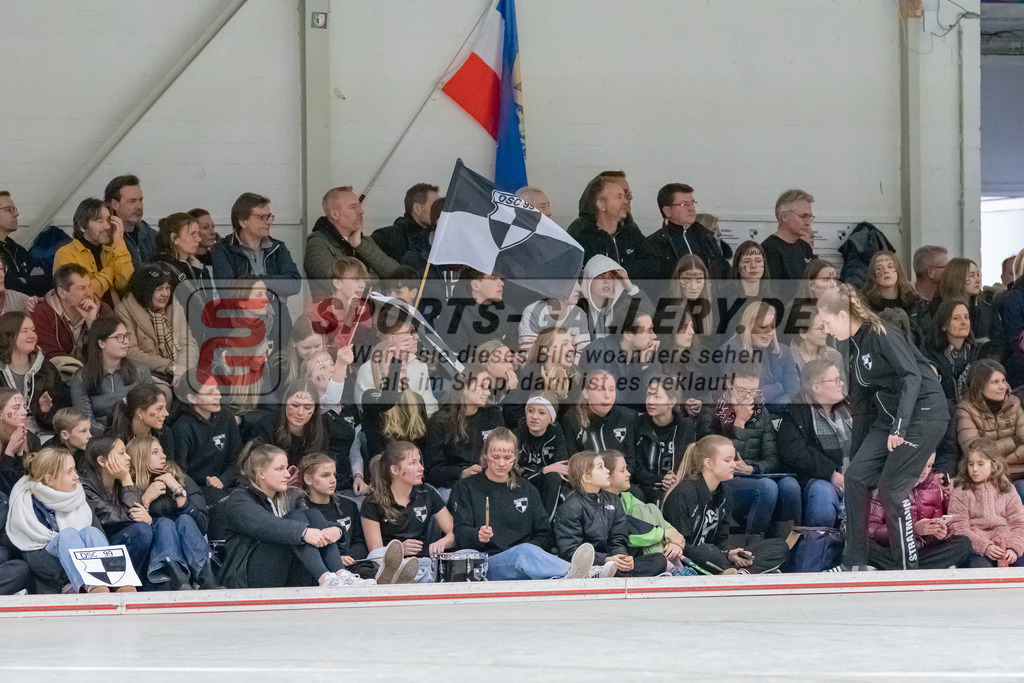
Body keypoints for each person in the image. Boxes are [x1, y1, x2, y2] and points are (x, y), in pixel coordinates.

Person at [817, 284, 948, 571]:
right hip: (889, 418)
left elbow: (912, 377)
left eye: (827, 323)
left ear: (841, 315)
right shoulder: (853, 344)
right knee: (855, 476)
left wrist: (899, 429)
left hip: (923, 414)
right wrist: (855, 454)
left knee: (890, 490)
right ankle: (855, 563)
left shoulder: (882, 333)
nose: (826, 330)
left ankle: (906, 570)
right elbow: (862, 405)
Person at [217, 442, 377, 588]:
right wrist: (303, 533)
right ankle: (325, 578)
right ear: (261, 473)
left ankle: (339, 575)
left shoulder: (291, 497)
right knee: (297, 520)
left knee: (312, 514)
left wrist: (337, 530)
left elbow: (314, 523)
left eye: (286, 468)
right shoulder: (239, 499)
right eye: (280, 469)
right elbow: (264, 525)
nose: (287, 474)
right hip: (248, 578)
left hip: (287, 573)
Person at [448, 428, 595, 581]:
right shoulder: (466, 487)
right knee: (522, 554)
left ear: (516, 457)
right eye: (495, 457)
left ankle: (574, 574)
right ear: (485, 455)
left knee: (525, 555)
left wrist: (529, 550)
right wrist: (476, 534)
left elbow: (544, 535)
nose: (501, 463)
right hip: (488, 563)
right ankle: (582, 573)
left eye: (507, 457)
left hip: (525, 561)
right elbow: (460, 533)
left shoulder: (526, 488)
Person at [662, 435, 790, 574]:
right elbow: (680, 544)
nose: (734, 464)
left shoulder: (725, 493)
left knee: (779, 546)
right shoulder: (683, 493)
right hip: (689, 559)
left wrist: (729, 553)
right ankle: (738, 573)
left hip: (716, 557)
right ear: (708, 464)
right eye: (727, 460)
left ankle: (739, 574)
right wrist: (719, 555)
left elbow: (721, 540)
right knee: (708, 552)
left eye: (733, 459)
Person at [699, 368, 801, 538]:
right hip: (724, 480)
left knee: (790, 486)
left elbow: (773, 458)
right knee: (767, 488)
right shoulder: (711, 410)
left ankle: (787, 546)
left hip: (753, 475)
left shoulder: (761, 413)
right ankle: (753, 543)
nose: (748, 396)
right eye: (741, 390)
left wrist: (753, 468)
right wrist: (739, 423)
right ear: (730, 387)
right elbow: (713, 455)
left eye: (753, 391)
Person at [6, 447, 119, 594]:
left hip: (86, 564)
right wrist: (70, 576)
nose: (76, 477)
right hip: (50, 567)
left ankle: (116, 581)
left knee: (92, 532)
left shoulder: (79, 498)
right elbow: (29, 556)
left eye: (75, 470)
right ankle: (87, 584)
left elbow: (98, 541)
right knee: (68, 535)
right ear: (49, 479)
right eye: (69, 472)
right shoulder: (25, 503)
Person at [127, 435, 218, 589]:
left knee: (185, 520)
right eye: (155, 452)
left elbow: (201, 526)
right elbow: (134, 535)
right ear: (140, 457)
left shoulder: (181, 479)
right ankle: (176, 575)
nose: (163, 456)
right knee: (165, 524)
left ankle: (206, 575)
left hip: (190, 560)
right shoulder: (129, 486)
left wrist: (178, 490)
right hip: (153, 567)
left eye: (162, 451)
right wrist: (145, 500)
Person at [553, 451, 663, 577]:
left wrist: (622, 558)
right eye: (600, 467)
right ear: (586, 477)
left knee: (659, 560)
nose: (607, 471)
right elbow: (570, 551)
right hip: (588, 567)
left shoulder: (613, 500)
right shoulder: (569, 507)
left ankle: (615, 573)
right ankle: (607, 574)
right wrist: (605, 559)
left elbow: (618, 539)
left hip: (611, 562)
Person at [209, 192, 302, 338]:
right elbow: (228, 291)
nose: (268, 221)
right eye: (261, 217)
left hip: (278, 326)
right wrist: (275, 292)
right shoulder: (222, 250)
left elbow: (294, 284)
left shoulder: (278, 248)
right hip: (240, 329)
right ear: (243, 221)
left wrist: (257, 283)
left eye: (269, 216)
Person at [362, 441, 454, 583]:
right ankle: (404, 576)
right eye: (412, 463)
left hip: (423, 561)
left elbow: (453, 533)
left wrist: (442, 542)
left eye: (420, 462)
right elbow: (375, 551)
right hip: (388, 564)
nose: (421, 468)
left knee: (468, 555)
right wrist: (399, 550)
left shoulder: (428, 493)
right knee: (376, 557)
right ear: (395, 470)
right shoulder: (372, 502)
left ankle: (412, 576)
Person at [296, 453, 395, 582]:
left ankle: (394, 573)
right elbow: (306, 550)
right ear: (308, 479)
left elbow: (360, 541)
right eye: (325, 475)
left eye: (334, 474)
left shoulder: (348, 505)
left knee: (370, 572)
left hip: (355, 565)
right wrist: (336, 560)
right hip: (323, 574)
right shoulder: (301, 510)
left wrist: (350, 556)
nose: (333, 480)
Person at [778, 360, 852, 530]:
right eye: (835, 380)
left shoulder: (849, 409)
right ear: (816, 387)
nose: (841, 383)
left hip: (854, 476)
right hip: (815, 479)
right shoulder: (797, 411)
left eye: (840, 378)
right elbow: (794, 452)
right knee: (823, 495)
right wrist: (831, 473)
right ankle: (817, 545)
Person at [867, 452, 972, 569]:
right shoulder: (885, 486)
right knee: (863, 546)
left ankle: (902, 568)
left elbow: (937, 529)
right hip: (893, 551)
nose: (925, 471)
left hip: (921, 552)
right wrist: (913, 530)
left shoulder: (935, 487)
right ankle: (911, 567)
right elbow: (871, 531)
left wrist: (940, 533)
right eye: (920, 464)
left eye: (929, 465)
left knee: (963, 544)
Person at [78, 436, 155, 578]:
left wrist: (147, 518)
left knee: (161, 524)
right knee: (142, 530)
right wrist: (126, 478)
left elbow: (137, 513)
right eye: (121, 453)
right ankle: (126, 582)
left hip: (123, 538)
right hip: (102, 546)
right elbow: (110, 518)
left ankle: (156, 580)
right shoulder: (84, 486)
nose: (128, 458)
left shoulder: (121, 481)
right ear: (102, 461)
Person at [305, 186, 400, 299]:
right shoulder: (317, 244)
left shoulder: (365, 241)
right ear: (335, 214)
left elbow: (398, 275)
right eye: (353, 207)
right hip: (333, 313)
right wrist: (379, 281)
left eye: (359, 206)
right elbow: (340, 284)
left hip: (369, 312)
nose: (361, 211)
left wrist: (360, 245)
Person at [422, 366, 503, 492]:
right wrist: (462, 473)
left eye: (488, 387)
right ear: (464, 387)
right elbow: (432, 471)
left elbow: (504, 451)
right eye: (482, 386)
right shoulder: (440, 421)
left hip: (490, 479)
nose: (487, 393)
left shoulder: (493, 414)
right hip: (454, 485)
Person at [115, 262, 197, 384]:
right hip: (148, 376)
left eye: (167, 288)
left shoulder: (174, 306)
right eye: (159, 289)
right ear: (145, 291)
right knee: (164, 394)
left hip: (181, 370)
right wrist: (170, 367)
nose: (165, 294)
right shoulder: (124, 310)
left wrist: (183, 370)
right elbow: (130, 352)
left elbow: (189, 343)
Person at [68, 317, 153, 435]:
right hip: (100, 439)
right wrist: (113, 436)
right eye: (119, 337)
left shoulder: (140, 371)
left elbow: (149, 410)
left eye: (126, 336)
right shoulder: (81, 379)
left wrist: (130, 433)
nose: (126, 341)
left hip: (136, 434)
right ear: (101, 343)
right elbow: (86, 421)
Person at [600, 451, 682, 571]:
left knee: (651, 508)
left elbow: (659, 522)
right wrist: (665, 534)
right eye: (622, 470)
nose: (628, 474)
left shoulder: (627, 497)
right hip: (619, 560)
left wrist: (674, 539)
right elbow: (626, 532)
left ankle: (668, 563)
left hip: (640, 558)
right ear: (608, 475)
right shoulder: (602, 503)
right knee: (640, 511)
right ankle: (668, 567)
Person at [948, 438, 1024, 568]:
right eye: (971, 464)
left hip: (1006, 543)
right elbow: (958, 527)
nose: (974, 469)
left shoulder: (1006, 487)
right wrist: (984, 546)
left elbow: (1018, 522)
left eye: (980, 464)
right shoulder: (960, 490)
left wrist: (1013, 548)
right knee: (982, 570)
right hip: (977, 550)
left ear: (993, 464)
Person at [166, 375, 241, 504]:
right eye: (210, 393)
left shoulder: (226, 416)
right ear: (192, 398)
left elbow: (237, 459)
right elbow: (180, 473)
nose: (217, 395)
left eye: (217, 389)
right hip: (198, 489)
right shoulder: (182, 428)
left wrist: (223, 480)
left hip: (227, 482)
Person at [956, 360, 1024, 499]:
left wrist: (999, 461)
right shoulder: (965, 409)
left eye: (1003, 381)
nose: (1002, 387)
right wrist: (1013, 441)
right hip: (986, 476)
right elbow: (974, 451)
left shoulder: (1014, 403)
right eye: (995, 382)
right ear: (980, 386)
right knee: (1020, 489)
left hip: (1018, 472)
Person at [718, 301, 801, 415]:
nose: (769, 333)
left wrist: (775, 405)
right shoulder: (731, 351)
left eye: (772, 327)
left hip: (782, 415)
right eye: (762, 327)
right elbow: (746, 396)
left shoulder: (784, 351)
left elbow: (793, 390)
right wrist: (779, 387)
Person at [637, 183, 729, 282]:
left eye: (692, 203)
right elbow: (649, 286)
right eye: (684, 204)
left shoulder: (706, 237)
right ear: (667, 211)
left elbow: (723, 273)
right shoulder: (654, 245)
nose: (691, 208)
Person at [53, 197, 133, 307]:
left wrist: (119, 241)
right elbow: (84, 294)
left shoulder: (112, 251)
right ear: (82, 226)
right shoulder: (65, 253)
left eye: (109, 220)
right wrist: (110, 271)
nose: (107, 226)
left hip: (114, 315)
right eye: (99, 221)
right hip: (85, 317)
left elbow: (125, 283)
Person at [0, 311, 69, 432]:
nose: (32, 335)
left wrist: (44, 410)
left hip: (41, 435)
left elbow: (63, 411)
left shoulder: (46, 369)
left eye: (33, 330)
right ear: (9, 335)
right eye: (24, 331)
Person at [579, 310, 660, 413]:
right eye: (648, 330)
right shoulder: (597, 351)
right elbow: (599, 398)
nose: (654, 336)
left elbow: (652, 400)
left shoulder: (649, 353)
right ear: (628, 334)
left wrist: (644, 364)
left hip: (629, 418)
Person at [354, 318, 437, 416]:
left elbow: (429, 409)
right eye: (410, 333)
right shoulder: (368, 369)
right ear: (392, 339)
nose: (417, 336)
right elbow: (365, 413)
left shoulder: (421, 367)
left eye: (415, 332)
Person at [567, 174, 644, 277]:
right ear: (602, 205)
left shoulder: (632, 233)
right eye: (619, 196)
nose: (625, 201)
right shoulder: (581, 238)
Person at [633, 377, 697, 504]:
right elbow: (635, 468)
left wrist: (674, 480)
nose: (650, 401)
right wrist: (660, 479)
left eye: (657, 397)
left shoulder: (686, 427)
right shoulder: (637, 424)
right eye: (648, 395)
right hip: (644, 487)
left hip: (676, 487)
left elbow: (688, 463)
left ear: (671, 402)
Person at [32, 264, 110, 365]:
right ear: (62, 292)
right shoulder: (43, 314)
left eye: (89, 286)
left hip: (98, 374)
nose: (89, 293)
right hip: (60, 376)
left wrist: (93, 324)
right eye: (81, 288)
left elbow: (112, 351)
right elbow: (52, 357)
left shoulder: (103, 310)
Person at [561, 369, 638, 472]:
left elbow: (631, 460)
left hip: (620, 481)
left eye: (611, 389)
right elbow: (573, 462)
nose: (607, 395)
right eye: (600, 390)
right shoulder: (572, 420)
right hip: (589, 483)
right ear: (586, 393)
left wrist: (617, 479)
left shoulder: (627, 417)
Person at [933, 257, 1005, 361]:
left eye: (978, 274)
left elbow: (999, 342)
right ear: (957, 278)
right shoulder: (939, 308)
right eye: (971, 276)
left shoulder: (987, 308)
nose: (978, 280)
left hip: (985, 366)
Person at [513, 393, 569, 518]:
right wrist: (543, 470)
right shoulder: (517, 434)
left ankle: (545, 525)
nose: (534, 417)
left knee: (555, 478)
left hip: (547, 485)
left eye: (541, 413)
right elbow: (515, 470)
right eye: (530, 411)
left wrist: (546, 472)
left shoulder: (556, 433)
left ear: (551, 418)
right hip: (523, 485)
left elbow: (562, 465)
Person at [578, 255, 651, 340]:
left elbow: (651, 318)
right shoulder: (579, 308)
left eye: (610, 277)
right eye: (600, 277)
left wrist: (630, 287)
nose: (606, 281)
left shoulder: (622, 304)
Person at [921, 298, 980, 402]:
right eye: (956, 318)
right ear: (944, 325)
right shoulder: (930, 355)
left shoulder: (978, 353)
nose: (964, 322)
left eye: (966, 317)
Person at [861, 251, 923, 344]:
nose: (885, 271)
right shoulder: (865, 306)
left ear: (898, 271)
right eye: (879, 268)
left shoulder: (915, 302)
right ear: (872, 275)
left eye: (890, 267)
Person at [518, 283, 591, 357]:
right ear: (552, 288)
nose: (579, 288)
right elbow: (528, 356)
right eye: (571, 283)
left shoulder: (578, 314)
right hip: (540, 367)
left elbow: (582, 355)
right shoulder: (533, 312)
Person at [372, 183, 439, 263]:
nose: (440, 210)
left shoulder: (438, 236)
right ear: (417, 209)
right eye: (435, 206)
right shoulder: (386, 237)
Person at [105, 174, 158, 268]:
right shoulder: (105, 238)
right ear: (114, 204)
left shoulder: (150, 234)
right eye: (132, 201)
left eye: (140, 200)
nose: (139, 206)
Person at [761, 189, 815, 281]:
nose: (808, 222)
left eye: (810, 217)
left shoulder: (805, 248)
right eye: (803, 216)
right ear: (784, 216)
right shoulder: (768, 249)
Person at [107, 383, 174, 457]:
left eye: (165, 407)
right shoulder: (116, 440)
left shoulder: (164, 433)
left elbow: (169, 466)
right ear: (140, 412)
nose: (166, 413)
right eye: (159, 409)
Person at [0, 390, 42, 496]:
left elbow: (26, 485)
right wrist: (9, 453)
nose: (24, 412)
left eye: (24, 407)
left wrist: (19, 455)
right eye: (16, 408)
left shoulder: (32, 440)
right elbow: (4, 489)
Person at [155, 212, 212, 288]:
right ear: (174, 238)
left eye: (198, 234)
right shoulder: (162, 271)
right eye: (192, 234)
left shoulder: (196, 265)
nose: (198, 239)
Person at [0, 191, 37, 296]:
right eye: (9, 209)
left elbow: (45, 280)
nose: (16, 214)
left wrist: (22, 281)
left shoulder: (17, 250)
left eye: (15, 209)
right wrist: (29, 280)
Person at [789, 310, 844, 379]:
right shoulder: (786, 359)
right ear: (803, 333)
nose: (826, 331)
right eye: (821, 328)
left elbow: (842, 388)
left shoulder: (834, 357)